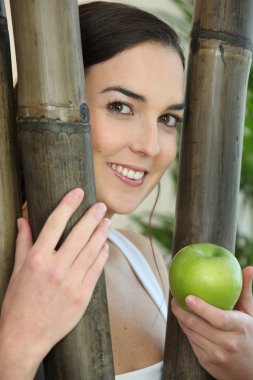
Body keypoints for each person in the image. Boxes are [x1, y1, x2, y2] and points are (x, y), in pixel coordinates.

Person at [0, 2, 253, 379]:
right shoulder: (8, 267)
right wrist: (17, 346)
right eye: (121, 106)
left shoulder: (144, 257)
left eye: (168, 119)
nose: (151, 146)